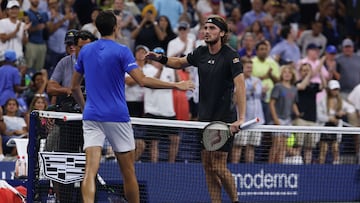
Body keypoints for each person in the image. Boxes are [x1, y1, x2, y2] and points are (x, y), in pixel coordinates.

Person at [70, 10, 194, 203]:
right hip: (117, 117)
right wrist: (176, 85)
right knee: (128, 173)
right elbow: (143, 80)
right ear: (115, 28)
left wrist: (85, 106)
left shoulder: (85, 51)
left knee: (89, 171)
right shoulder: (121, 50)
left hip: (92, 116)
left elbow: (74, 87)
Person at [146, 14, 245, 203]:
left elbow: (240, 86)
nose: (207, 32)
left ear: (222, 33)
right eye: (205, 28)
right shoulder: (200, 52)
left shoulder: (231, 56)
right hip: (204, 118)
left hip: (223, 119)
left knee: (218, 165)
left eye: (212, 29)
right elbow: (179, 62)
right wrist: (161, 58)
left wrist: (241, 118)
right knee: (207, 166)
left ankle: (235, 200)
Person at [231, 58, 264, 164]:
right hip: (243, 121)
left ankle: (249, 169)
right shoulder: (238, 81)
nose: (250, 69)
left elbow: (260, 97)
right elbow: (235, 100)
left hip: (256, 121)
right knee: (238, 146)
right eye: (247, 67)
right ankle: (235, 169)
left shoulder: (257, 81)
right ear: (242, 68)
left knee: (251, 147)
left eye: (251, 67)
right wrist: (250, 90)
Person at [269, 65, 301, 164]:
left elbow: (293, 103)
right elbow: (271, 103)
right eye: (285, 72)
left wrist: (297, 113)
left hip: (288, 121)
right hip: (278, 119)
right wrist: (276, 120)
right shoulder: (278, 87)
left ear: (292, 75)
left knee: (283, 146)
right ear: (282, 74)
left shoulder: (294, 89)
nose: (287, 74)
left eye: (289, 72)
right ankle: (270, 166)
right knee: (276, 144)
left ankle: (279, 166)